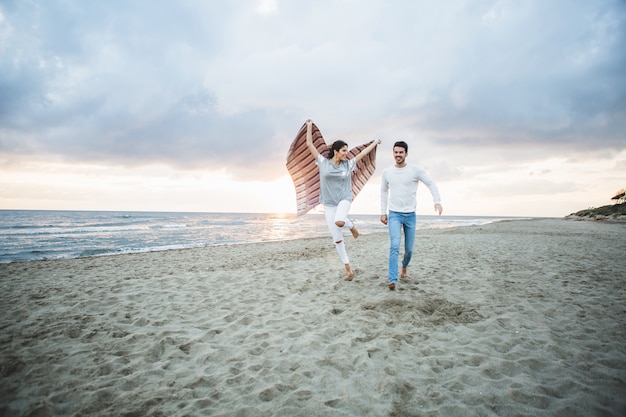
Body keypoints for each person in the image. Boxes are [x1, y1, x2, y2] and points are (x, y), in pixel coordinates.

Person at [305, 118, 381, 280]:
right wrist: (310, 127)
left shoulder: (348, 165)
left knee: (339, 221)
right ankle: (348, 270)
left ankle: (351, 225)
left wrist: (374, 143)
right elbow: (310, 145)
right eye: (344, 150)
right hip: (329, 203)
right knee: (337, 238)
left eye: (347, 150)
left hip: (344, 199)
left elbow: (362, 153)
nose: (347, 153)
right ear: (336, 151)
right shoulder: (323, 163)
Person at [380, 141, 443, 290]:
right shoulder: (387, 172)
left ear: (406, 154)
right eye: (396, 152)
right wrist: (383, 212)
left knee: (409, 250)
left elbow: (431, 183)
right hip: (394, 214)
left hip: (410, 215)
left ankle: (404, 267)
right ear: (393, 153)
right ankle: (392, 279)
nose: (398, 155)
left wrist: (437, 201)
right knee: (394, 246)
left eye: (401, 152)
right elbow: (383, 192)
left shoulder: (415, 170)